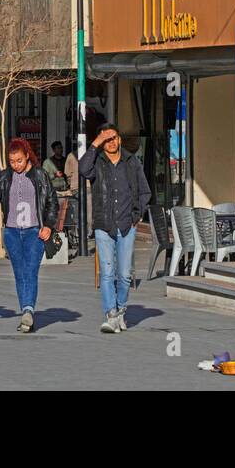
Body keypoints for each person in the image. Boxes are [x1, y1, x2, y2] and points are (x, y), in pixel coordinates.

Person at [0, 138, 57, 333]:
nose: (16, 165)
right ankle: (26, 312)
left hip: (34, 231)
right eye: (12, 161)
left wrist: (49, 226)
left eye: (19, 160)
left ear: (27, 155)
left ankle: (28, 310)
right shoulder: (5, 176)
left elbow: (52, 202)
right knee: (19, 273)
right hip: (11, 232)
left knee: (30, 271)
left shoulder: (40, 175)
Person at [79, 123, 151, 333]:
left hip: (126, 225)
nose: (111, 143)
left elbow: (144, 191)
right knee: (107, 272)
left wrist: (136, 216)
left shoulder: (131, 162)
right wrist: (96, 142)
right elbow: (83, 169)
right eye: (106, 139)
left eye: (114, 138)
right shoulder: (97, 162)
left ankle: (120, 309)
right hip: (104, 224)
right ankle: (111, 314)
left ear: (120, 140)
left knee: (125, 274)